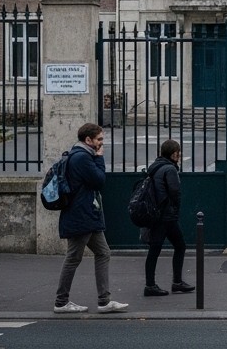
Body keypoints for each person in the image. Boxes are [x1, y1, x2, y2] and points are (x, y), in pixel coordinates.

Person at [53, 122, 129, 314]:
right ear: (88, 140)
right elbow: (99, 180)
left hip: (88, 215)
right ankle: (61, 302)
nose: (101, 143)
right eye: (99, 140)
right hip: (81, 216)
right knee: (73, 258)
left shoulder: (81, 156)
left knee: (103, 253)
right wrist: (100, 158)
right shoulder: (82, 158)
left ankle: (104, 301)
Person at [143, 139, 196, 297]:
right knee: (174, 247)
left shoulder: (156, 167)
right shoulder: (169, 169)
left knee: (163, 247)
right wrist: (174, 208)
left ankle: (170, 283)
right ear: (173, 153)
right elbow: (174, 192)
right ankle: (156, 284)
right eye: (178, 152)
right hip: (165, 216)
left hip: (158, 214)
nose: (179, 155)